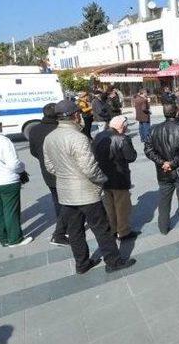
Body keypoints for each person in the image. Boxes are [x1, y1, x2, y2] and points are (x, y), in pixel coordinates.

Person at [44, 100, 135, 274]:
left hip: (65, 191)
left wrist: (66, 176)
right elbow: (89, 168)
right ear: (76, 115)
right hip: (86, 192)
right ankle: (113, 262)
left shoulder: (50, 137)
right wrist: (101, 179)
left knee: (75, 230)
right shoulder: (78, 137)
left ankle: (82, 263)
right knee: (102, 228)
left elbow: (50, 166)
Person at [144, 104, 179, 235]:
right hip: (178, 170)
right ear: (177, 112)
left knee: (164, 200)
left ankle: (163, 227)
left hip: (165, 171)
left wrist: (165, 163)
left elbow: (148, 150)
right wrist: (168, 163)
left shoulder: (155, 129)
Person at [0, 114, 32, 247]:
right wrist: (22, 167)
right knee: (10, 210)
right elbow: (13, 164)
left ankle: (3, 239)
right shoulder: (3, 140)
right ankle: (15, 239)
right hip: (7, 181)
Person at [92, 115, 140, 240]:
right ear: (121, 126)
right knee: (122, 206)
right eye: (126, 126)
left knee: (109, 205)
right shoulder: (122, 138)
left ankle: (112, 229)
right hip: (119, 178)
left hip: (103, 176)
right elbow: (131, 157)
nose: (126, 128)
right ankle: (123, 232)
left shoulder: (98, 136)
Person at [28, 103, 68, 246]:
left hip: (46, 170)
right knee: (67, 201)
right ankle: (61, 231)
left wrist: (43, 158)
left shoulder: (34, 130)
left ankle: (64, 226)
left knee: (57, 199)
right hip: (64, 170)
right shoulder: (59, 129)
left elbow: (33, 151)